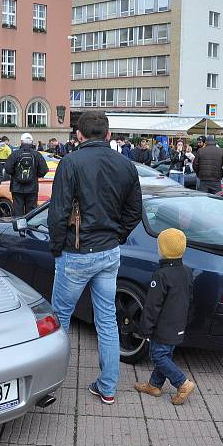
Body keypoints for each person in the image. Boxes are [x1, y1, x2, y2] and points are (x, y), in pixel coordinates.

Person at [48, 111, 142, 405]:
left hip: (77, 252)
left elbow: (58, 211)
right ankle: (108, 386)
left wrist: (57, 246)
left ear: (78, 135)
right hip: (108, 252)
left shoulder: (71, 162)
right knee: (107, 320)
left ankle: (49, 382)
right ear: (109, 135)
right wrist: (116, 236)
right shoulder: (126, 164)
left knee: (60, 318)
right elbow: (134, 212)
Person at [134, 228, 196, 405]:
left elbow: (152, 306)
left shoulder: (161, 275)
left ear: (163, 250)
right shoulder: (186, 271)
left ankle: (182, 383)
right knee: (165, 355)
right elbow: (190, 299)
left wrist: (145, 329)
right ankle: (154, 385)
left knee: (158, 356)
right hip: (178, 325)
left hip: (163, 327)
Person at [4, 133, 49, 216]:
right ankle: (30, 228)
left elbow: (7, 168)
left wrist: (15, 174)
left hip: (16, 188)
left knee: (17, 211)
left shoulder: (15, 154)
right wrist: (35, 175)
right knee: (31, 212)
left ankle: (18, 227)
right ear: (32, 142)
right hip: (32, 188)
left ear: (21, 142)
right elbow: (44, 170)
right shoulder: (37, 154)